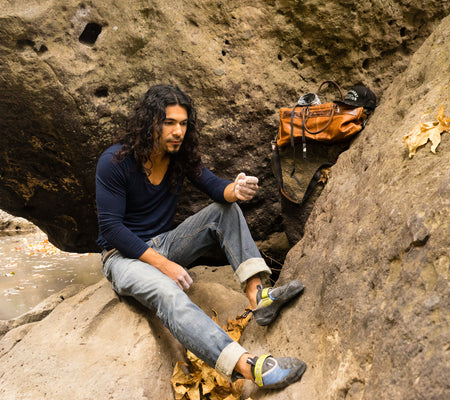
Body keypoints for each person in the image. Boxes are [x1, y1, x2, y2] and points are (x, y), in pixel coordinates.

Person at [95, 84, 306, 390]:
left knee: (226, 210)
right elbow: (111, 230)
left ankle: (258, 296)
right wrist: (164, 267)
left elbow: (213, 186)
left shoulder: (179, 156)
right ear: (149, 122)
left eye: (183, 124)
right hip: (122, 257)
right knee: (168, 292)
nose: (178, 131)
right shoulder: (115, 161)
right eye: (169, 123)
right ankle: (249, 368)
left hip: (164, 242)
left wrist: (235, 189)